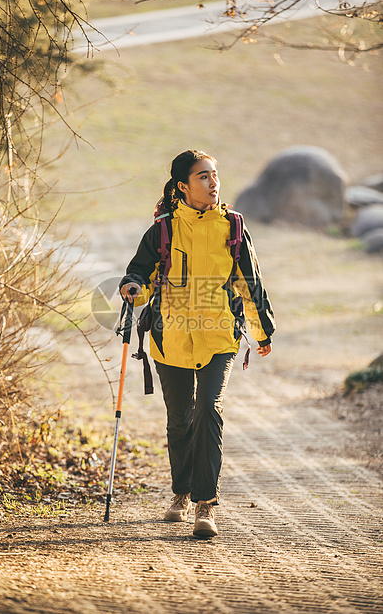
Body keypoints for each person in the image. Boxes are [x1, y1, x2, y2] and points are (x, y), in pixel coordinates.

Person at [119, 149, 275, 538]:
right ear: (183, 186)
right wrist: (132, 287)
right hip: (170, 337)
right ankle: (181, 494)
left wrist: (261, 331)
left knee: (208, 408)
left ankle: (206, 503)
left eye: (215, 174)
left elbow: (249, 283)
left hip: (219, 336)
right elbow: (140, 272)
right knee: (180, 420)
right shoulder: (164, 230)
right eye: (203, 176)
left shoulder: (233, 228)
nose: (212, 182)